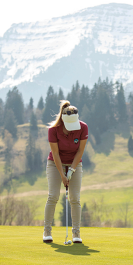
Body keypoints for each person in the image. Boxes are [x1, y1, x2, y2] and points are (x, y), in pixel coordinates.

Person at [43, 100, 88, 243]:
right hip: (55, 164)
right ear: (63, 119)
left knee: (75, 198)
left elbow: (80, 150)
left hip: (74, 162)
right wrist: (62, 175)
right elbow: (55, 154)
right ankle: (47, 231)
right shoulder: (53, 130)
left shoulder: (83, 128)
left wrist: (72, 169)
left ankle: (76, 234)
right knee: (53, 196)